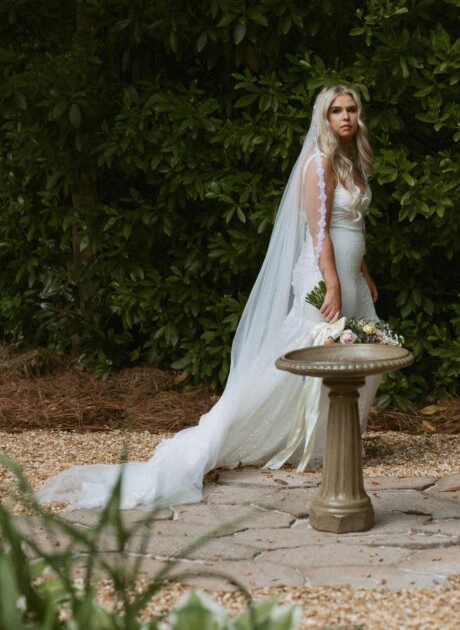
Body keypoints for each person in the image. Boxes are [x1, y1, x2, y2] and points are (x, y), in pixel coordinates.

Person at [39, 85, 382, 509]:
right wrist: (332, 282)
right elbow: (318, 232)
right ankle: (239, 432)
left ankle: (338, 438)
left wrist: (362, 273)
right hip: (324, 274)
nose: (345, 117)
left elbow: (354, 226)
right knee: (307, 354)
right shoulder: (318, 164)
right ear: (324, 118)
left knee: (363, 353)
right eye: (336, 110)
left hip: (350, 273)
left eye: (351, 109)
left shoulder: (352, 162)